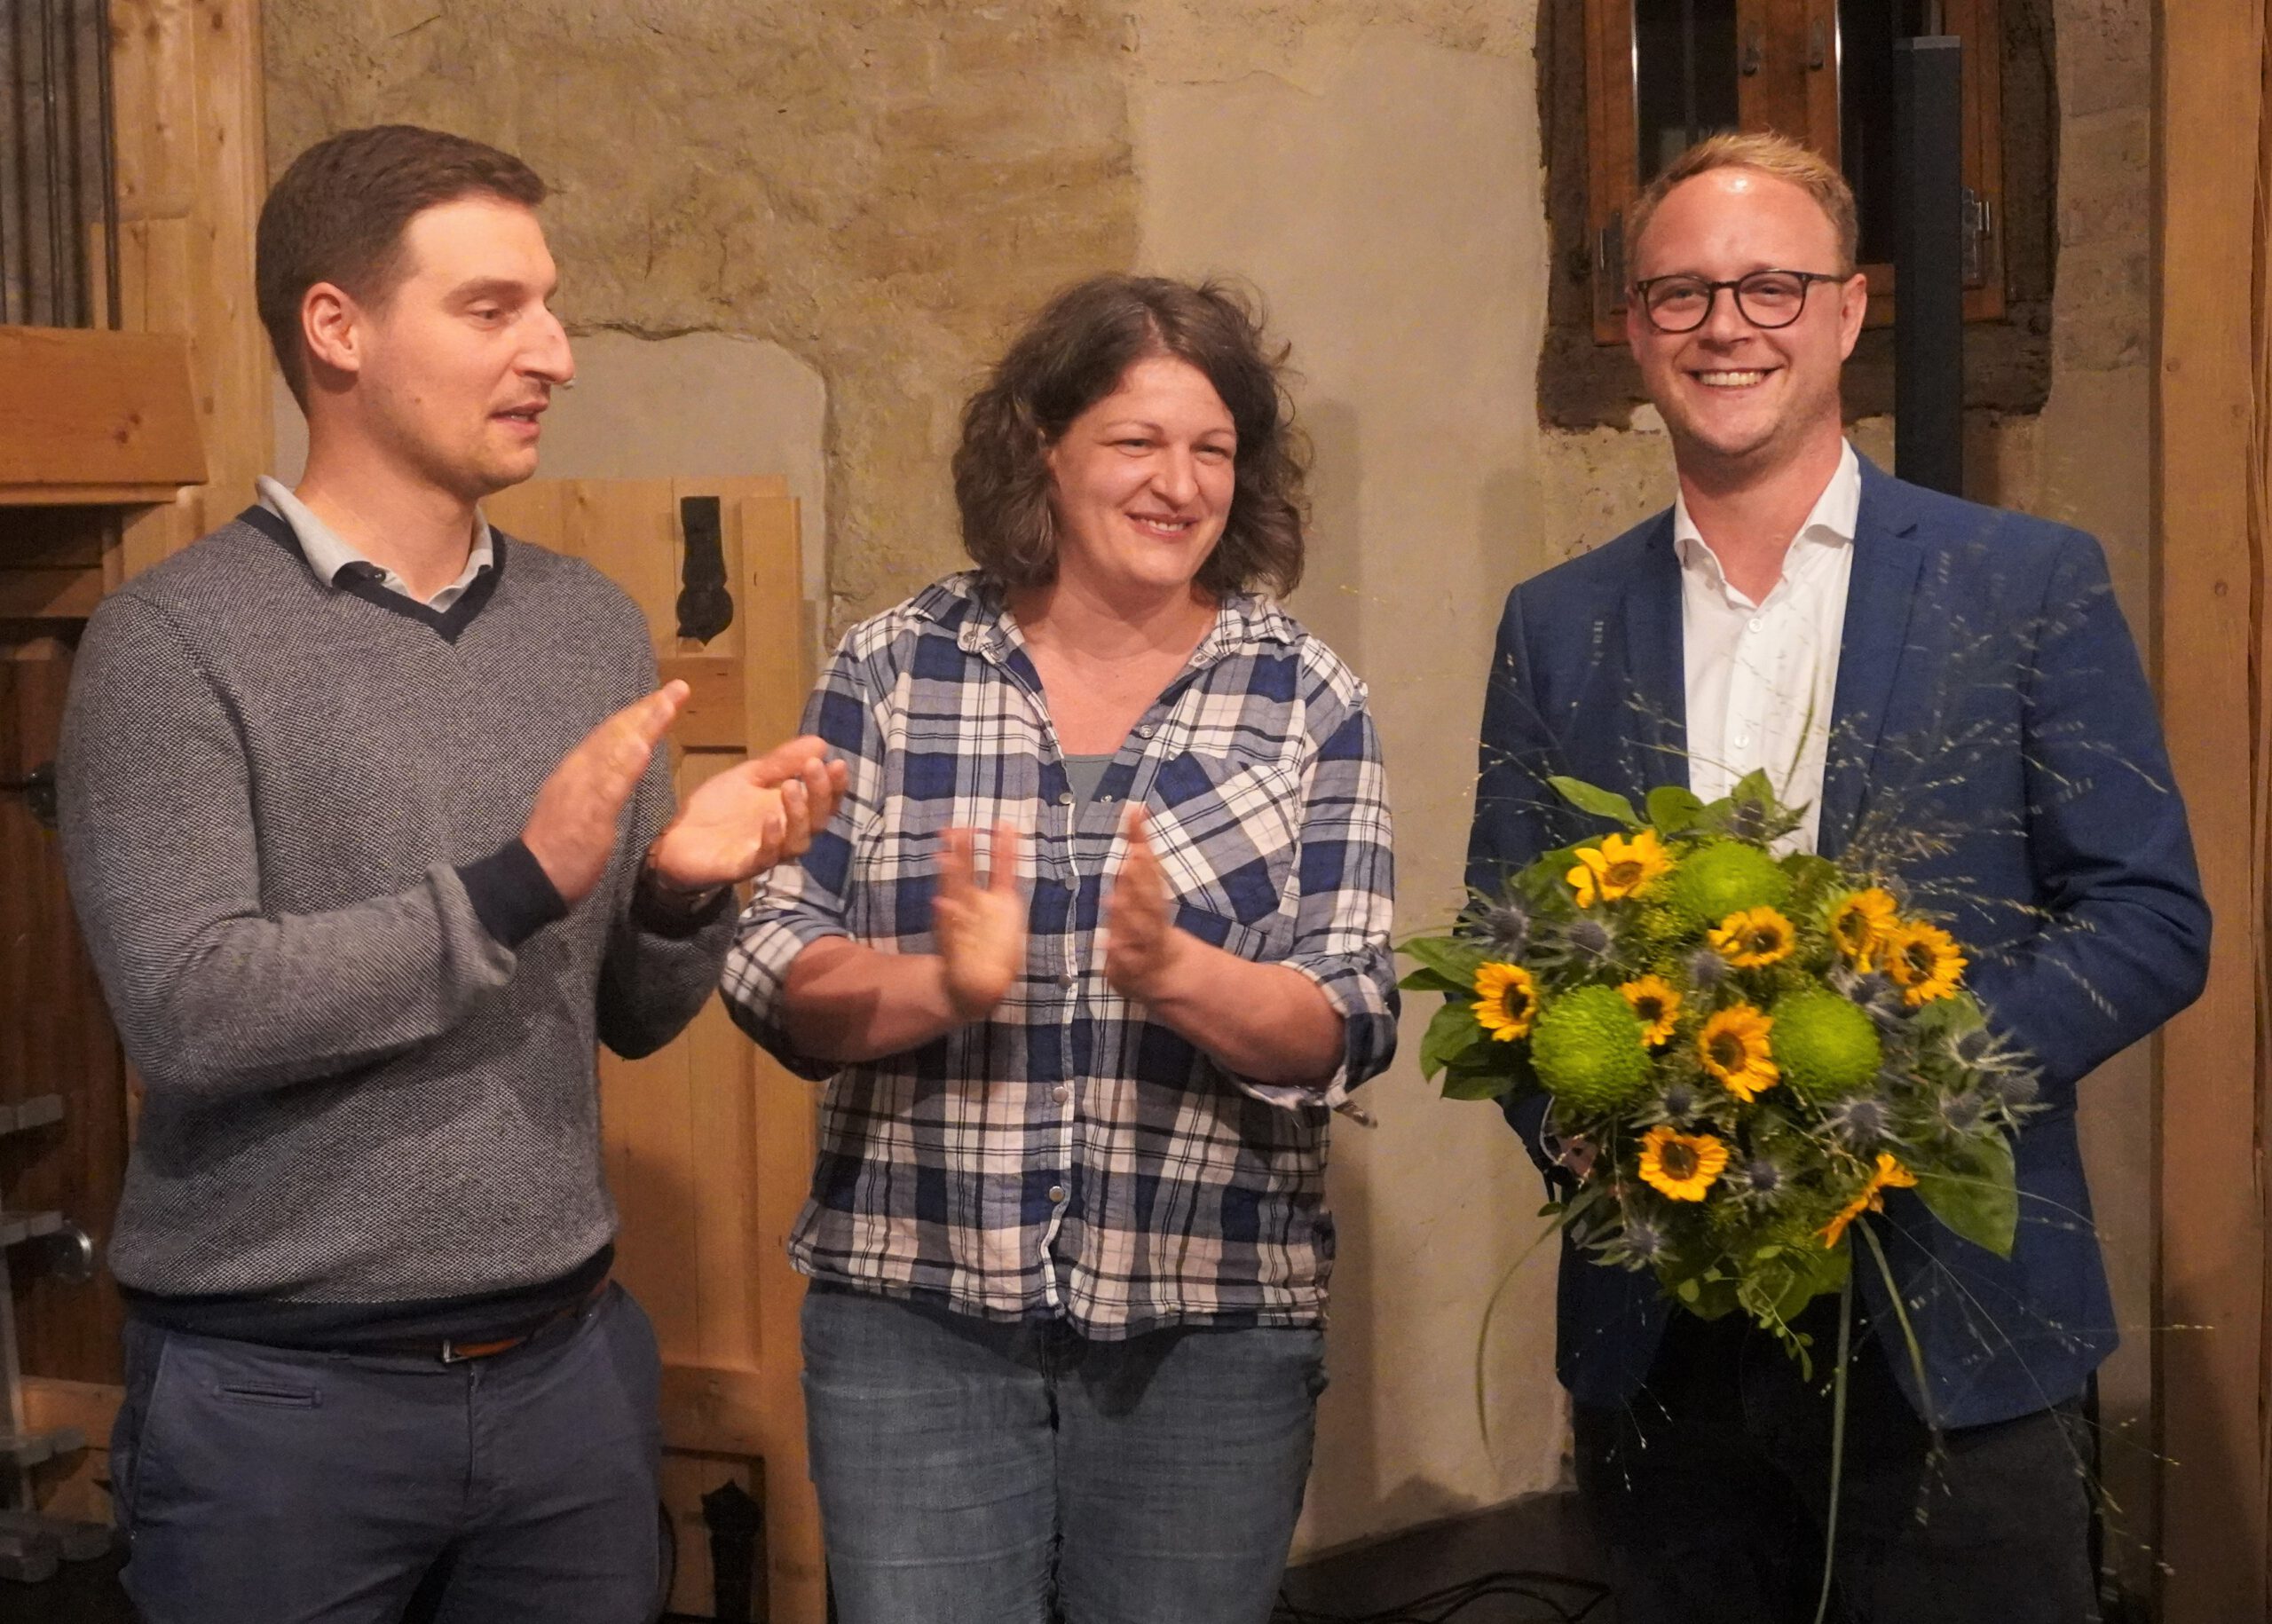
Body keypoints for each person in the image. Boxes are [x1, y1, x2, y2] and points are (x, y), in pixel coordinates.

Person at [58, 123, 844, 1624]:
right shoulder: (171, 644)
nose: (552, 350)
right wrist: (516, 881)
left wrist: (677, 888)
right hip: (281, 1404)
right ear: (336, 329)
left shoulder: (584, 623)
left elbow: (622, 1010)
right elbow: (189, 1009)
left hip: (566, 1382)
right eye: (493, 310)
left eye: (549, 306)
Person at [1465, 131, 2209, 1623]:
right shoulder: (1558, 622)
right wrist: (1588, 1130)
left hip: (1960, 1327)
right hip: (1662, 1342)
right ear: (1633, 331)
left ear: (1850, 310)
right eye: (1679, 295)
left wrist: (1899, 1082)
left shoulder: (2024, 581)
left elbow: (2148, 918)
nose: (1725, 325)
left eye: (1769, 287)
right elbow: (1506, 948)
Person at [722, 273, 1398, 1624]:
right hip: (913, 1309)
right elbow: (772, 953)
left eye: (1213, 448)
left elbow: (1352, 1015)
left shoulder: (1303, 692)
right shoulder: (897, 664)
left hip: (1210, 1321)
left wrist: (1179, 973)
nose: (1180, 483)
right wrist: (940, 985)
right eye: (1138, 442)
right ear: (1045, 445)